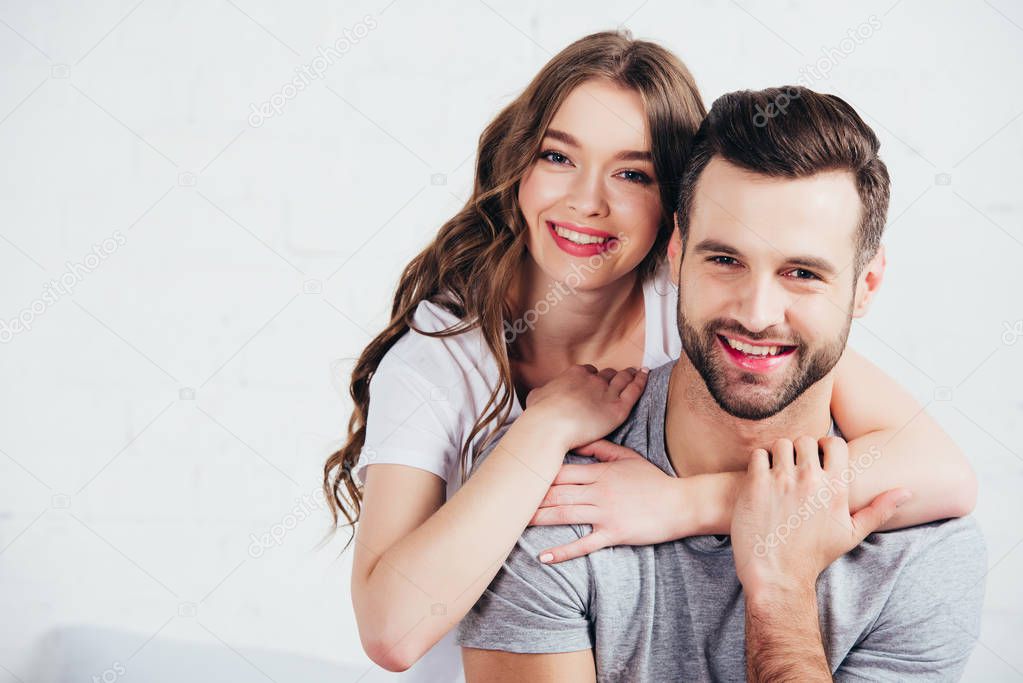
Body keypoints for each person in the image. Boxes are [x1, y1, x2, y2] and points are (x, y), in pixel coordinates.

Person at [324, 32, 977, 680]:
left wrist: (686, 504)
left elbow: (940, 469)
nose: (587, 199)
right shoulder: (444, 357)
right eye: (557, 156)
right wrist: (548, 425)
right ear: (517, 163)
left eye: (632, 172)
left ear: (671, 216)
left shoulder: (707, 304)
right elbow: (392, 629)